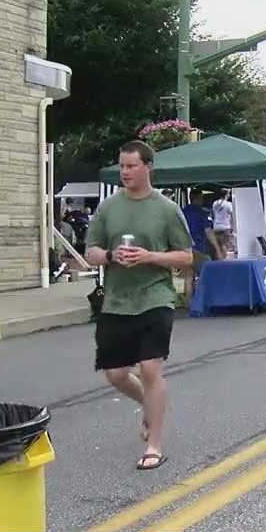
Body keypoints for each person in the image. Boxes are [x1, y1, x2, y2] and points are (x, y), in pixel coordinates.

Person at [86, 141, 193, 470]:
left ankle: (155, 446)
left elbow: (187, 257)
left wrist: (150, 257)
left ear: (147, 167)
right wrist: (108, 256)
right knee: (116, 374)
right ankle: (149, 405)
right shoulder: (109, 208)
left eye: (131, 166)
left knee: (150, 368)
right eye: (122, 166)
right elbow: (90, 250)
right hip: (117, 300)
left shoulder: (165, 209)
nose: (125, 172)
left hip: (155, 296)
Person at [181, 189, 219, 303]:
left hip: (184, 249)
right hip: (199, 249)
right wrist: (217, 248)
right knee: (208, 274)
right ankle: (205, 301)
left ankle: (189, 303)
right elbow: (209, 232)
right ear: (199, 198)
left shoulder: (182, 211)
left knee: (189, 276)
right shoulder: (202, 213)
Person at [211, 190, 234, 259]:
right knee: (224, 245)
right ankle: (224, 260)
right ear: (226, 195)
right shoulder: (228, 204)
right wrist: (232, 227)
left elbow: (213, 214)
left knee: (218, 245)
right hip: (225, 226)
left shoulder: (214, 203)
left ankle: (218, 259)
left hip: (216, 226)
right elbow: (232, 216)